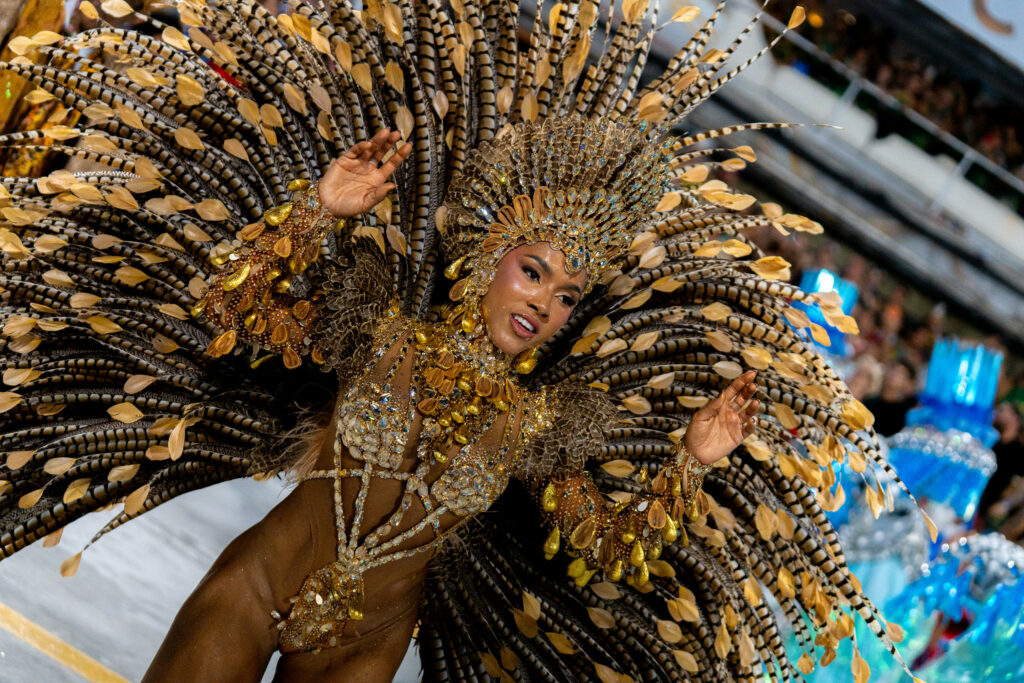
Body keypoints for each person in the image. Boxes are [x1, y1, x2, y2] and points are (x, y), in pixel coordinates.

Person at [0, 1, 921, 680]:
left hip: (365, 650)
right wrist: (318, 216)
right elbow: (237, 317)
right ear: (489, 254)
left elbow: (610, 548)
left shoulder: (543, 425)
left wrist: (689, 457)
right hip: (256, 585)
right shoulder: (377, 323)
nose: (545, 302)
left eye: (565, 297)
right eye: (535, 271)